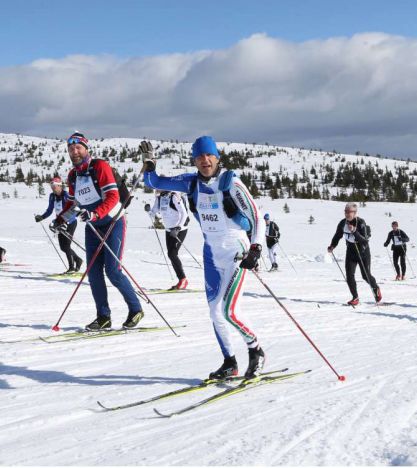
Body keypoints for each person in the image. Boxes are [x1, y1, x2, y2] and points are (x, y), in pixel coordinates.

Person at [139, 136, 266, 380]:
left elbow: (257, 215)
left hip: (236, 251)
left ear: (217, 157)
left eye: (209, 155)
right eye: (199, 156)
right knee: (214, 312)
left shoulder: (231, 182)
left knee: (230, 311)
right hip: (211, 253)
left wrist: (256, 248)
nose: (204, 160)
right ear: (195, 160)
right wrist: (149, 163)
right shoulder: (191, 183)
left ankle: (256, 350)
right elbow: (154, 181)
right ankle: (230, 362)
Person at [53, 132, 143, 331]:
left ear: (86, 148)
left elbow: (112, 196)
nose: (74, 152)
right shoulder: (72, 175)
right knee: (93, 273)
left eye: (78, 147)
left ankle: (136, 309)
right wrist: (60, 220)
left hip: (113, 222)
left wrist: (95, 214)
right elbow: (74, 203)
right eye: (70, 149)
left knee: (113, 271)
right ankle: (103, 316)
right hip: (93, 227)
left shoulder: (100, 166)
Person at [327, 202, 381, 306]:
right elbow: (337, 235)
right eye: (345, 211)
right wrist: (332, 246)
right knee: (349, 275)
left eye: (349, 212)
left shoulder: (361, 222)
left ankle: (375, 287)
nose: (347, 214)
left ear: (355, 213)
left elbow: (364, 241)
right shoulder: (343, 223)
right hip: (351, 251)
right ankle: (355, 297)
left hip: (363, 252)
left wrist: (354, 231)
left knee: (365, 276)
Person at [35, 176, 83, 273]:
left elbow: (73, 210)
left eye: (55, 187)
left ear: (60, 186)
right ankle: (78, 260)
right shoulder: (52, 196)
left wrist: (66, 222)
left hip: (71, 222)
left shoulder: (66, 195)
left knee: (66, 245)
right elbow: (49, 210)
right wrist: (42, 217)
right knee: (63, 247)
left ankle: (71, 267)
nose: (53, 189)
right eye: (52, 187)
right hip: (59, 222)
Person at [146, 189, 191, 289]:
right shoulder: (159, 199)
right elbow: (153, 214)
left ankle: (183, 280)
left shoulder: (174, 197)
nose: (156, 189)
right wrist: (148, 210)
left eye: (158, 186)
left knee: (172, 254)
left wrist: (178, 227)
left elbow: (184, 213)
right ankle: (182, 280)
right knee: (171, 254)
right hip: (168, 230)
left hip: (179, 229)